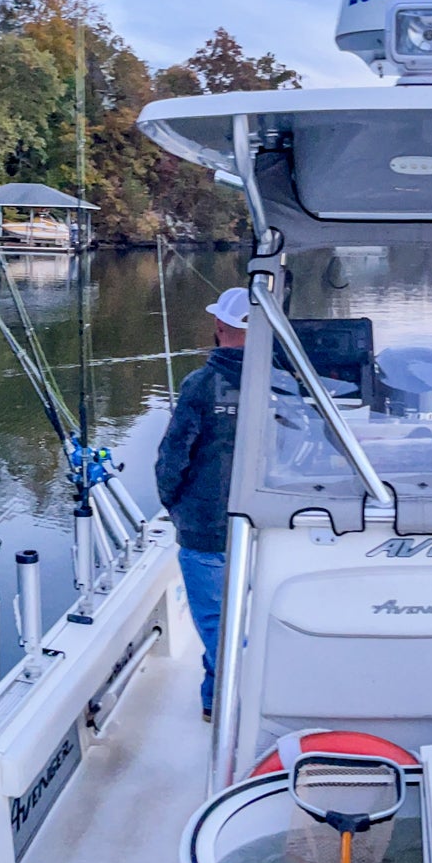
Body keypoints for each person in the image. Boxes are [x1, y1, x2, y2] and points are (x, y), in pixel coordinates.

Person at [154, 286, 254, 721]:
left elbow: (171, 462)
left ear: (219, 326)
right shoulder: (283, 386)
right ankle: (221, 700)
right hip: (262, 529)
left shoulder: (199, 386)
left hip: (205, 530)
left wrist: (174, 507)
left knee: (216, 627)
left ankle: (228, 703)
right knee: (244, 620)